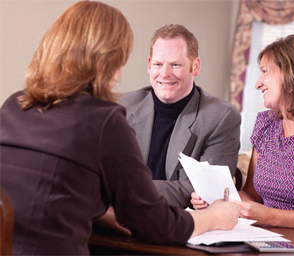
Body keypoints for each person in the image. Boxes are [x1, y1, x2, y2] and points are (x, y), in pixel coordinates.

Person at [0, 1, 239, 255]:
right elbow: (156, 224)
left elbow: (52, 191)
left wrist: (104, 209)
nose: (123, 68)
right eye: (123, 56)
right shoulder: (104, 119)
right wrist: (214, 217)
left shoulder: (15, 103)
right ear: (108, 58)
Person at [191, 34, 294, 231]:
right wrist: (220, 203)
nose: (258, 83)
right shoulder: (266, 125)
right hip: (265, 238)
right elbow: (252, 195)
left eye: (265, 72)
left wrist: (272, 216)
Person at [119, 24, 241, 209]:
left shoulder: (220, 117)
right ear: (149, 65)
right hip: (122, 217)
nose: (165, 74)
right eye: (158, 64)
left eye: (175, 65)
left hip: (183, 224)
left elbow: (206, 192)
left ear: (196, 66)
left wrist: (126, 189)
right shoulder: (123, 107)